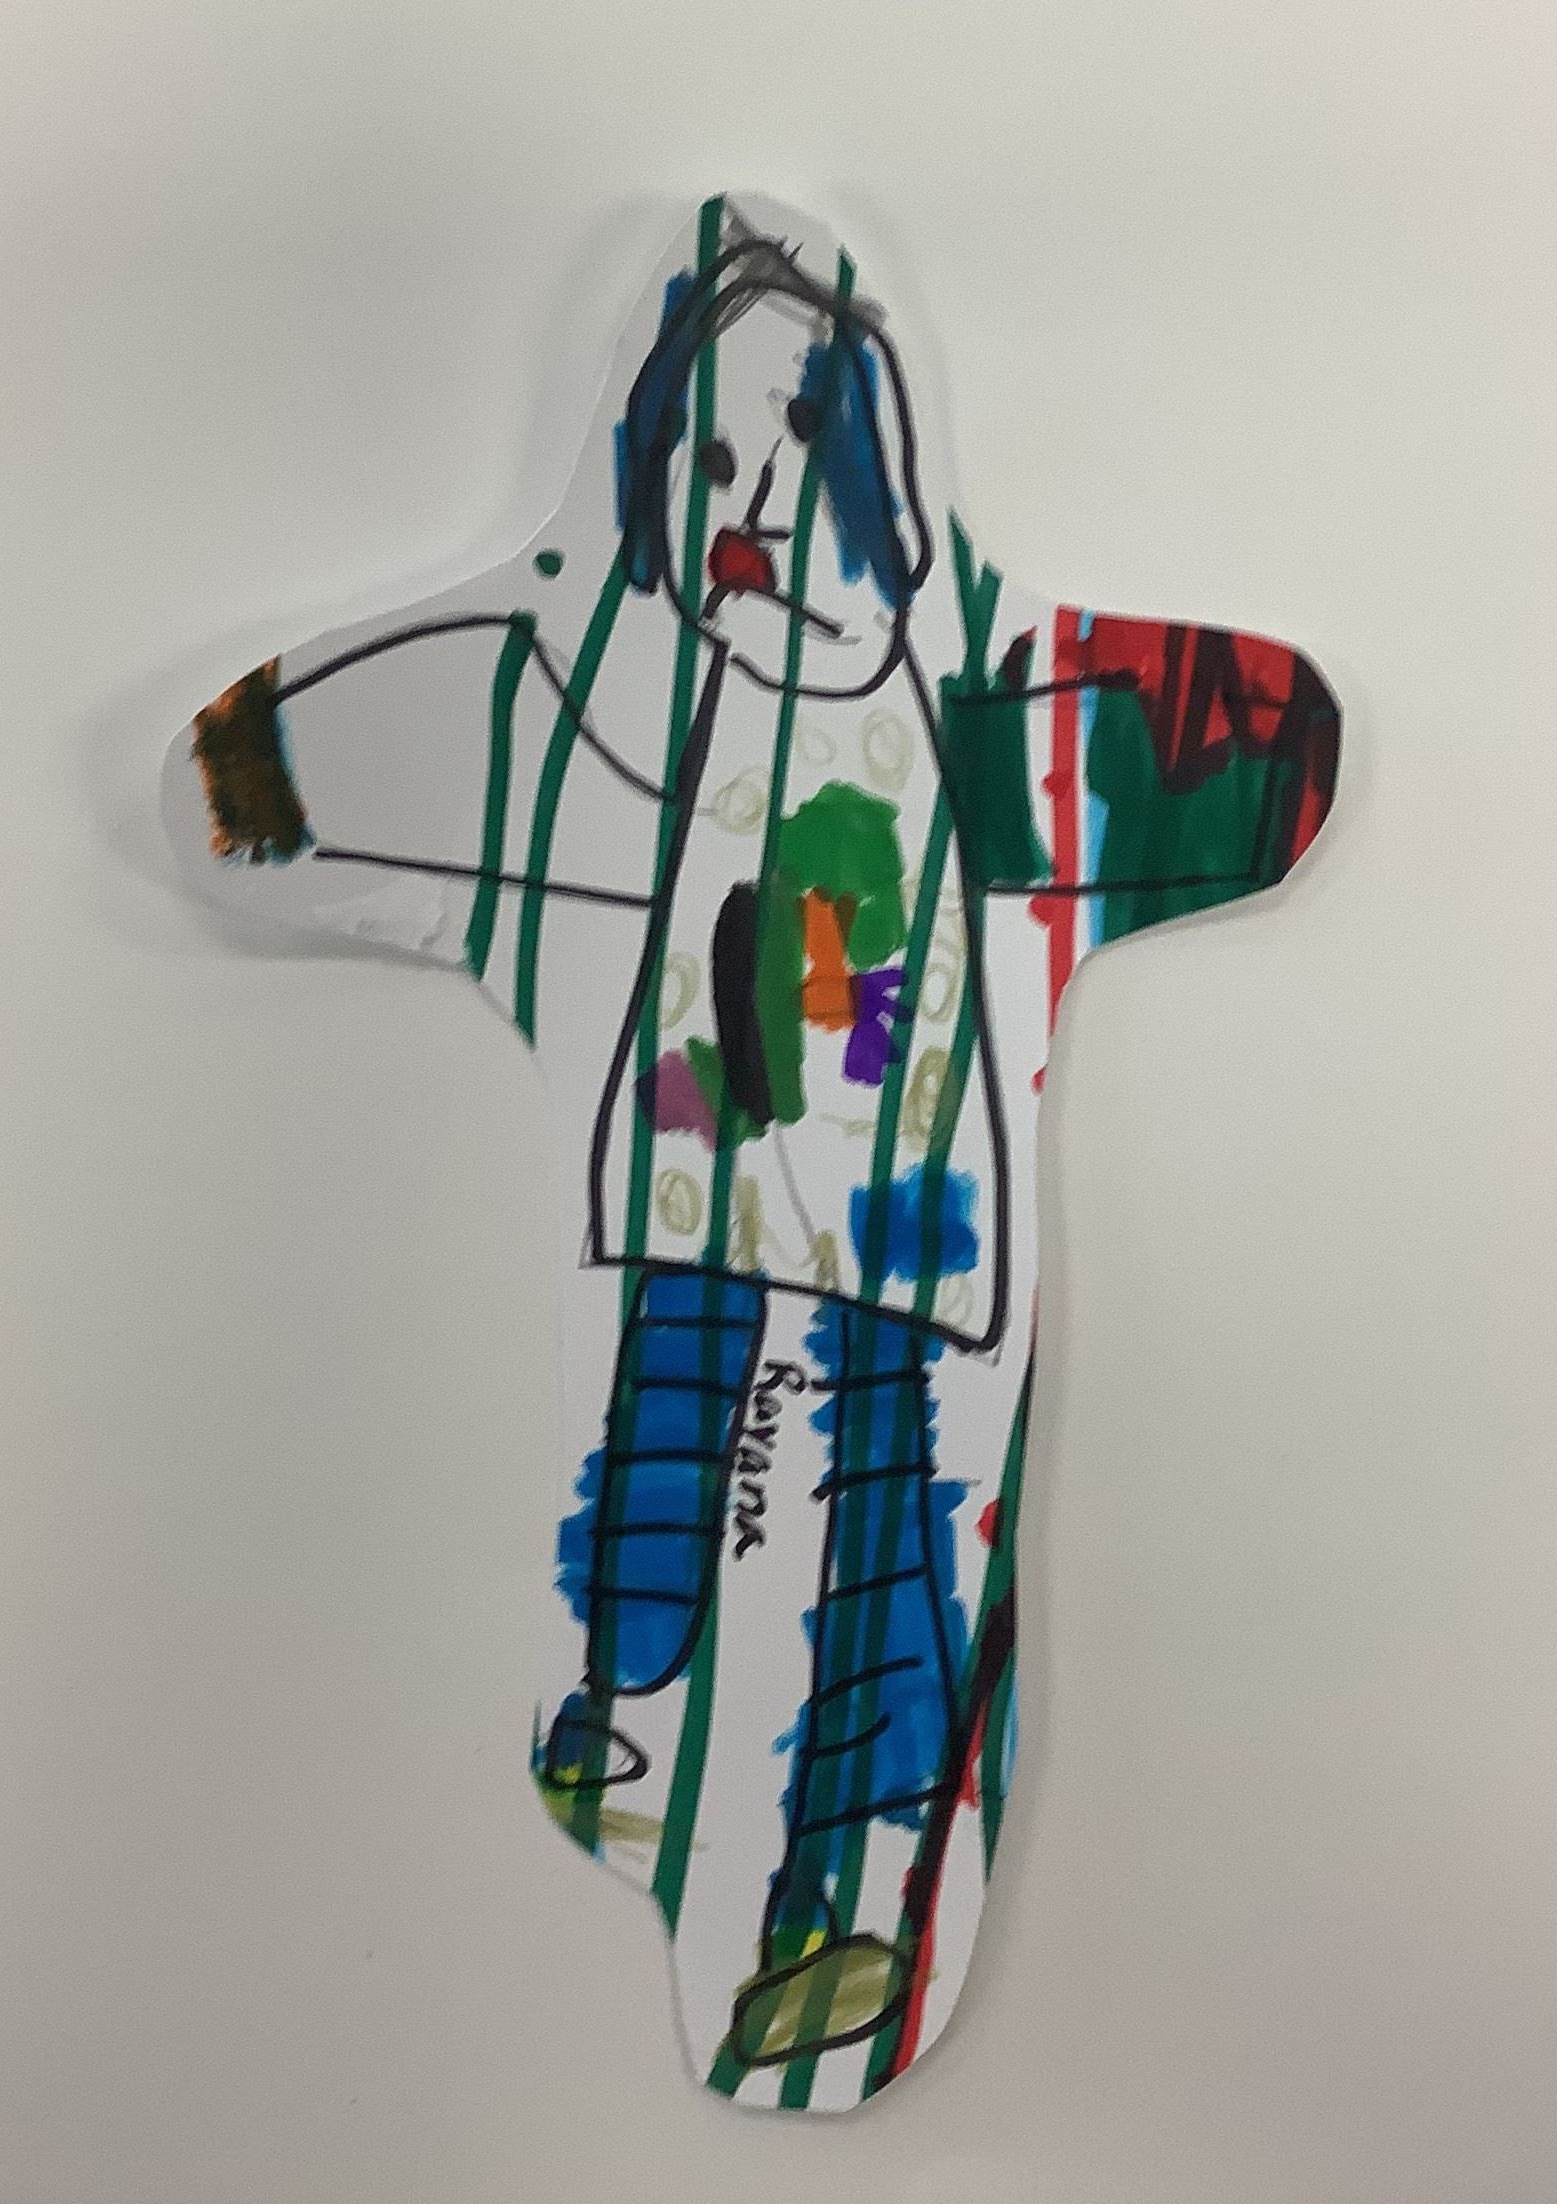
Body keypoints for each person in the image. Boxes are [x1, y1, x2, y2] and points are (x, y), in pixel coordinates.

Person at [164, 191, 1340, 2111]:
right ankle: (629, 1697)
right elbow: (397, 736)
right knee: (665, 1436)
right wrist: (250, 773)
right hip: (697, 1186)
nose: (753, 509)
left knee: (889, 1510)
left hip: (906, 1211)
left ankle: (848, 1889)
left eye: (794, 450)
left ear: (873, 474)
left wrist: (1258, 741)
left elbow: (1229, 752)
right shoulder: (616, 715)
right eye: (709, 467)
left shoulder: (987, 713)